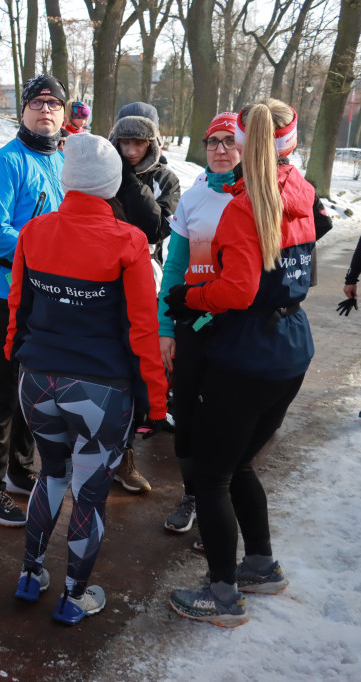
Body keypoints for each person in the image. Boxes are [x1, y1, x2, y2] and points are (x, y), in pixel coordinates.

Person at [7, 133, 168, 625]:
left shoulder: (34, 232)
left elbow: (19, 308)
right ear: (112, 182)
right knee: (90, 492)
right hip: (100, 390)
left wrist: (18, 357)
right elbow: (144, 328)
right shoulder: (129, 241)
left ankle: (31, 575)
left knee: (50, 474)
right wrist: (155, 404)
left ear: (67, 179)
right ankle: (75, 596)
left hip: (37, 381)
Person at [166, 99, 316, 627]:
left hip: (247, 352)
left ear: (248, 143)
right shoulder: (298, 190)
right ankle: (261, 565)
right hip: (291, 346)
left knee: (210, 476)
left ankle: (223, 595)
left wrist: (191, 295)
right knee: (240, 463)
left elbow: (236, 288)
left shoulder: (246, 206)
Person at [0, 74, 67, 527]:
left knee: (34, 387)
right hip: (5, 292)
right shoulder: (6, 162)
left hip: (47, 293)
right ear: (23, 111)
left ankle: (20, 469)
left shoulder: (64, 161)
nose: (45, 110)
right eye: (36, 103)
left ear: (64, 115)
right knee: (1, 389)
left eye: (54, 104)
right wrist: (45, 254)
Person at [157, 112, 240, 536]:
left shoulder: (256, 197)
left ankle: (220, 506)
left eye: (230, 141)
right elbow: (174, 267)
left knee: (225, 423)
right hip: (192, 323)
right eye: (213, 142)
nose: (221, 150)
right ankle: (192, 494)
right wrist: (166, 329)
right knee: (185, 418)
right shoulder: (194, 197)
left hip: (237, 328)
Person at [108, 100, 183, 493]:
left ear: (152, 140)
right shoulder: (104, 169)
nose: (130, 150)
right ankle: (98, 449)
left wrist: (126, 177)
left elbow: (157, 228)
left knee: (138, 366)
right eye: (123, 141)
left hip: (144, 283)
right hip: (100, 281)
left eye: (138, 142)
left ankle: (125, 453)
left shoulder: (166, 179)